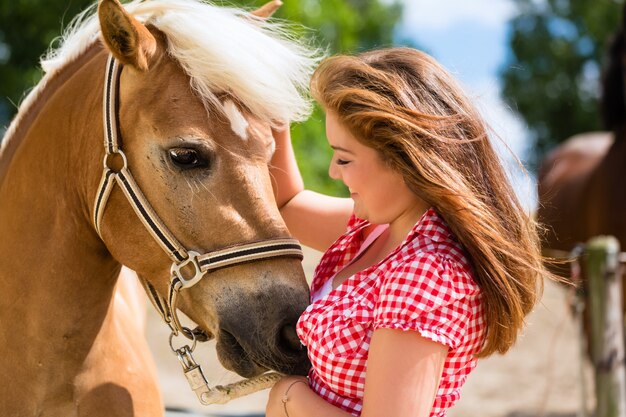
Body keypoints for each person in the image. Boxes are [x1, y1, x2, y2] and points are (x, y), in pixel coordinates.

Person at [265, 47, 547, 417]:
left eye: (345, 158)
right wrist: (268, 100)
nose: (334, 171)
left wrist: (289, 398)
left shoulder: (425, 273)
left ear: (404, 160)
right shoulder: (376, 231)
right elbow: (288, 206)